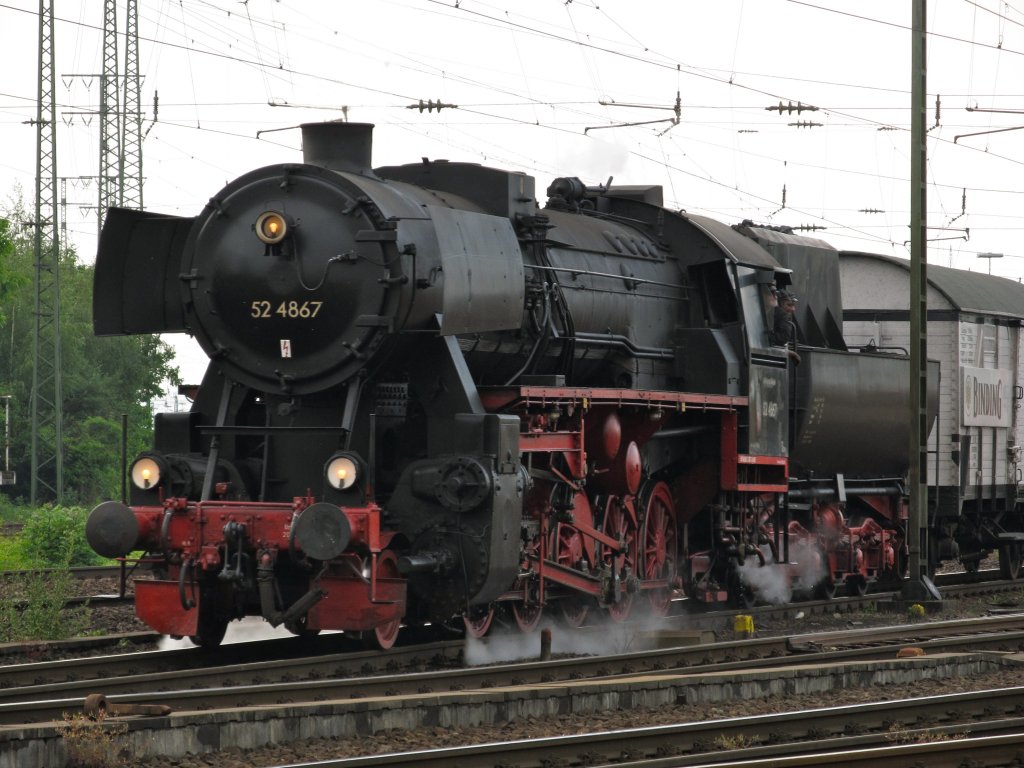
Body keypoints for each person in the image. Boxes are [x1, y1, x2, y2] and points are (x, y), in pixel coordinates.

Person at [770, 290, 801, 365]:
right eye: (789, 305)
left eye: (793, 305)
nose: (793, 309)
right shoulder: (782, 315)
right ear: (779, 304)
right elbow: (781, 339)